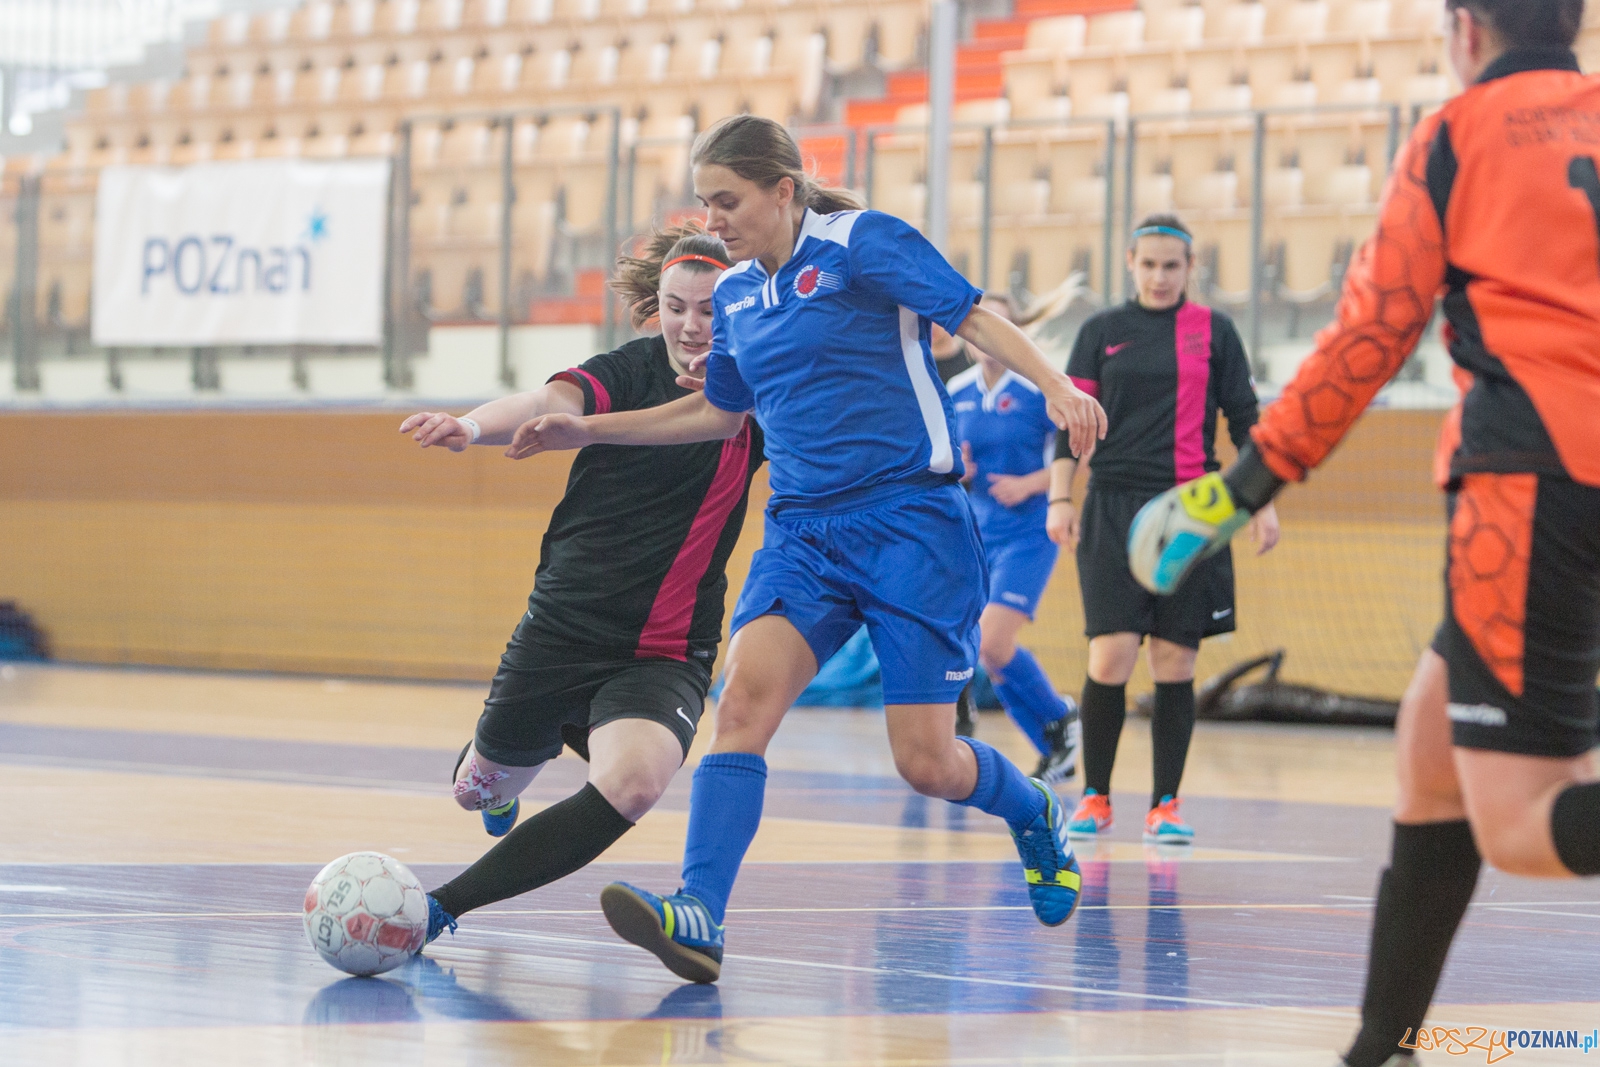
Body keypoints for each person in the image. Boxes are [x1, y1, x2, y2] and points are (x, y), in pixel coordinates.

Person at [508, 114, 1107, 983]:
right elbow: (717, 412)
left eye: (727, 200)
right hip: (804, 534)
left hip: (911, 525)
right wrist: (587, 429)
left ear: (783, 190)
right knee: (741, 708)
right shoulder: (738, 297)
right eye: (704, 202)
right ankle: (700, 911)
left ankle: (1032, 807)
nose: (712, 219)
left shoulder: (862, 244)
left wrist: (1055, 385)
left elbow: (972, 316)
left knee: (927, 761)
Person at [1123, 3, 1598, 1064]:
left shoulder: (1456, 136)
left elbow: (1368, 340)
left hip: (1535, 485)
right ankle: (1381, 1047)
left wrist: (1235, 491)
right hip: (1563, 482)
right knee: (1431, 749)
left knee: (1523, 822)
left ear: (1463, 29)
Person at [394, 222, 766, 944]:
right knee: (475, 791)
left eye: (710, 310)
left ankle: (441, 908)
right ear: (657, 307)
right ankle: (500, 774)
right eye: (677, 308)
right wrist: (470, 426)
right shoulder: (626, 370)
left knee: (633, 784)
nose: (692, 326)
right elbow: (549, 403)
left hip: (665, 648)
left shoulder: (753, 392)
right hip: (564, 628)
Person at [1046, 213, 1279, 845]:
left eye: (1171, 266)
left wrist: (1261, 502)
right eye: (1148, 264)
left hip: (1194, 511)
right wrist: (1060, 497)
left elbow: (1246, 419)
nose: (1159, 277)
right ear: (1130, 263)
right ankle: (1095, 797)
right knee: (1112, 652)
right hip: (1113, 506)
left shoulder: (1215, 331)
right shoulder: (1100, 332)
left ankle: (1166, 805)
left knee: (1176, 659)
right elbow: (1070, 426)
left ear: (1190, 268)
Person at [948, 291, 1082, 785]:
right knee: (988, 651)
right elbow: (950, 460)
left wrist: (1031, 484)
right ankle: (1053, 745)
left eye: (1001, 326)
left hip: (1029, 532)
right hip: (978, 533)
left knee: (994, 639)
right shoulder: (957, 390)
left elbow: (1078, 450)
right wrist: (959, 469)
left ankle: (1061, 717)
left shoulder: (1037, 389)